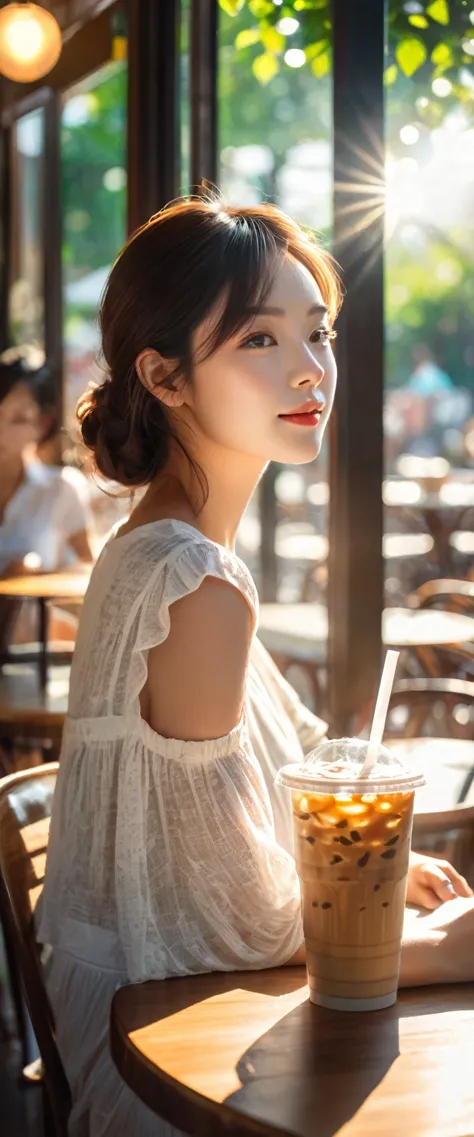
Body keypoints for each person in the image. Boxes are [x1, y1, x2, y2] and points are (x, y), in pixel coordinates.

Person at [37, 200, 474, 1137]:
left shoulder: (163, 546)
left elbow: (283, 771)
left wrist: (375, 871)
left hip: (148, 1001)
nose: (311, 367)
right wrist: (441, 947)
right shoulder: (194, 582)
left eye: (317, 332)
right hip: (154, 1048)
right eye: (259, 339)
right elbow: (226, 920)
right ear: (164, 376)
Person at [0, 348, 93, 577]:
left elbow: (87, 574)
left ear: (43, 423)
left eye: (18, 419)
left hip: (34, 613)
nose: (1, 431)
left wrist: (37, 573)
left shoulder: (62, 489)